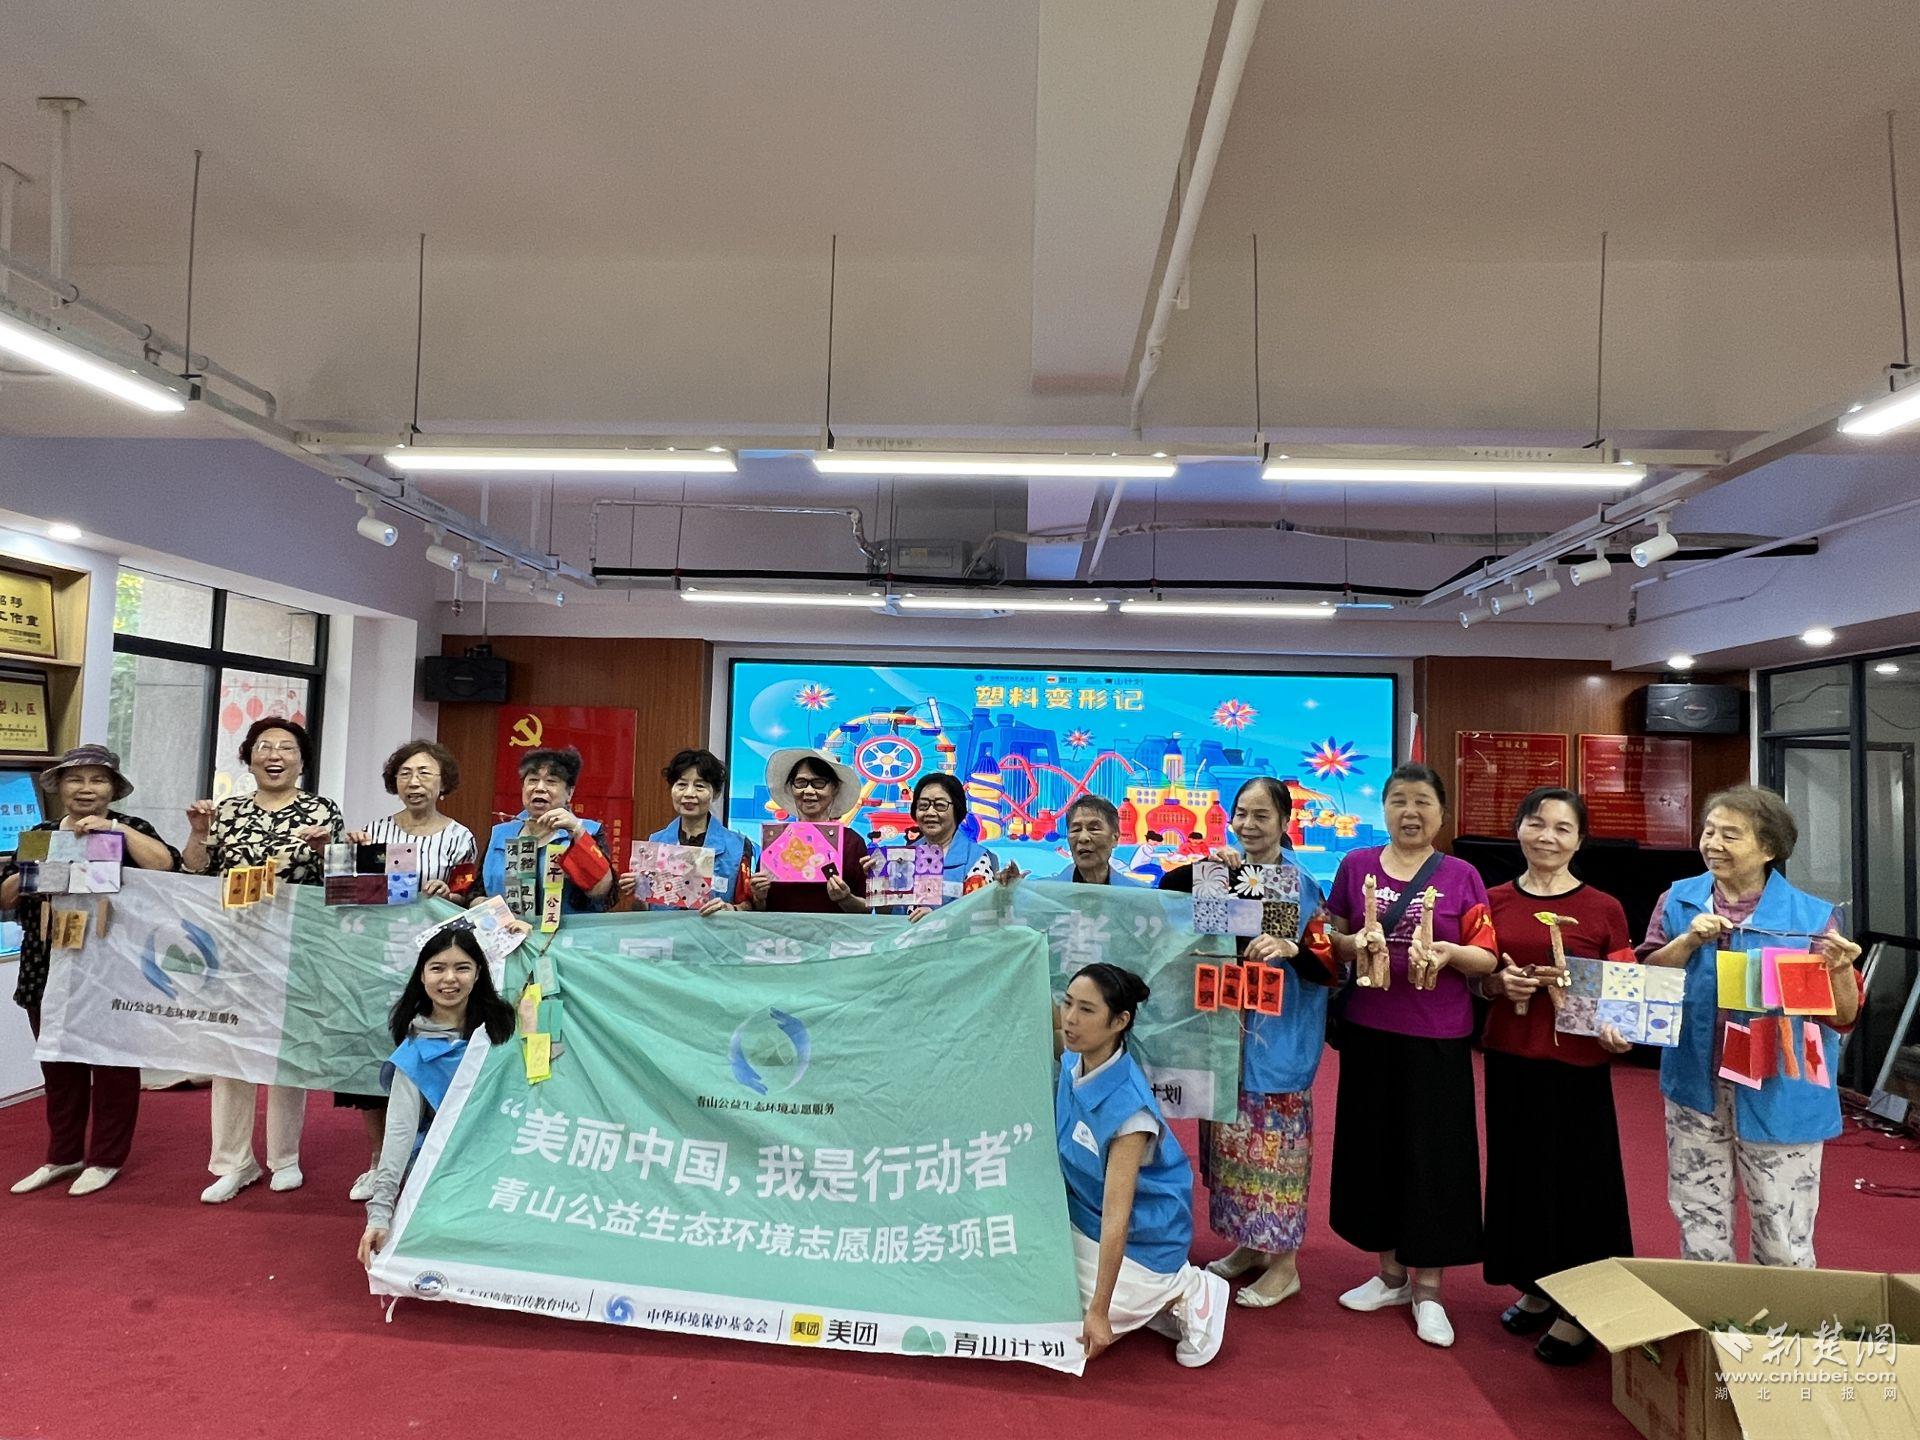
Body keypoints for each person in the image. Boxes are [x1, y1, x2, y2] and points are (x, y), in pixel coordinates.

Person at [1640, 785, 1863, 1269]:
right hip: (1696, 1083)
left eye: (1731, 835)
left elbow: (1843, 1016)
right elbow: (1649, 979)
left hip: (1781, 1087)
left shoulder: (1811, 917)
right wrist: (1687, 942)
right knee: (1698, 1217)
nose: (1713, 844)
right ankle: (1708, 1314)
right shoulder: (1678, 900)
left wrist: (1842, 970)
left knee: (1782, 1231)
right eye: (1709, 831)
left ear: (1768, 849)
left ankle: (1776, 1319)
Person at [1323, 761, 1498, 1348]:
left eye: (1422, 801)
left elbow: (1486, 956)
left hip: (1437, 1037)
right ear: (1384, 809)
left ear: (1441, 813)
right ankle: (1390, 1275)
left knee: (1435, 1160)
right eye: (1399, 800)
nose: (1410, 812)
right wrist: (1355, 942)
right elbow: (1331, 942)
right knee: (1374, 1151)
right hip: (1369, 1032)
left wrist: (1447, 952)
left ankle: (1429, 1289)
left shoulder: (1462, 875)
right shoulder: (1356, 866)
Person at [1157, 778, 1330, 1307]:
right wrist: (1211, 867)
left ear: (1284, 822)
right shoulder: (1226, 874)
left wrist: (1288, 945)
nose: (1249, 825)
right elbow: (1167, 890)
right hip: (1225, 1036)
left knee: (1274, 1154)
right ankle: (1251, 1246)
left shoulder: (1293, 882)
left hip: (1276, 1042)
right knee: (1232, 1151)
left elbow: (1319, 963)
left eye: (1261, 815)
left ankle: (1285, 1265)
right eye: (1241, 814)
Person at [1480, 788, 1636, 1364]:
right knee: (1520, 1177)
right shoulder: (1492, 899)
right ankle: (1537, 1285)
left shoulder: (1604, 907)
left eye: (1562, 828)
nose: (1547, 836)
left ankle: (1581, 1307)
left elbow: (1624, 985)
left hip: (1578, 1068)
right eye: (1536, 823)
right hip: (1511, 1057)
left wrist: (1620, 1027)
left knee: (1581, 1185)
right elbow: (1478, 976)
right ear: (1518, 828)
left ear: (1579, 840)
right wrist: (1497, 984)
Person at [3, 744, 181, 1197]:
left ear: (113, 790)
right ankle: (63, 1155)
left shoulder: (130, 829)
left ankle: (106, 1158)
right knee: (58, 1066)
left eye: (97, 780)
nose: (86, 789)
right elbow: (5, 896)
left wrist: (115, 829)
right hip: (46, 966)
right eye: (75, 779)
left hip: (113, 968)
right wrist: (34, 869)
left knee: (114, 1067)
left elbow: (167, 865)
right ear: (59, 787)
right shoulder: (41, 834)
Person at [183, 717, 344, 1203]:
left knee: (286, 1050)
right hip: (234, 945)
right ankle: (232, 1162)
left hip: (296, 946)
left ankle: (284, 1158)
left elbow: (341, 883)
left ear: (302, 760)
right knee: (229, 1051)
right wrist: (197, 831)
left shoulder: (322, 810)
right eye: (264, 747)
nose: (275, 755)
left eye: (287, 748)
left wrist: (327, 850)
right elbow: (196, 871)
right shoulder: (228, 812)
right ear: (249, 758)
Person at [1055, 962, 1228, 1367]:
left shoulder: (1130, 1113)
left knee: (1069, 1322)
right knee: (1031, 1275)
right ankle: (1143, 1300)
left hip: (1144, 1235)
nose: (1070, 1018)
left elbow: (1118, 1218)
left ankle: (1183, 1289)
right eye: (1068, 1003)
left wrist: (1099, 1312)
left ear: (1120, 1021)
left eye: (1086, 1010)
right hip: (1081, 1211)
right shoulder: (1072, 1058)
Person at [340, 738, 480, 1203]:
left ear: (443, 783)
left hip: (435, 967)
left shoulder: (459, 836)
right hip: (377, 958)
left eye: (424, 773)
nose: (414, 782)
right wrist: (351, 857)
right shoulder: (373, 832)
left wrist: (450, 893)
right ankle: (377, 1161)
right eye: (404, 773)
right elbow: (352, 897)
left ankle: (430, 1159)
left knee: (429, 1055)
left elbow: (466, 892)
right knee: (375, 1052)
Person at [357, 924, 517, 1270]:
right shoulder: (413, 1055)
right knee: (443, 1235)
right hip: (447, 1164)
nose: (450, 979)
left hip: (508, 1156)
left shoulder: (504, 1029)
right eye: (438, 968)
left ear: (478, 973)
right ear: (422, 975)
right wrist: (380, 1214)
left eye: (462, 968)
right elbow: (399, 1135)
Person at [478, 747, 616, 918]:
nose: (540, 788)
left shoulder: (589, 832)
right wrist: (485, 906)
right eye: (533, 780)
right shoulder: (500, 834)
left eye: (551, 781)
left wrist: (577, 832)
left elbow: (602, 892)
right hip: (508, 932)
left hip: (570, 934)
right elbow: (476, 893)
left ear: (569, 793)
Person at [631, 747, 754, 914]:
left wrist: (730, 909)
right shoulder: (654, 843)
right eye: (681, 785)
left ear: (716, 793)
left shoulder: (738, 846)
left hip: (714, 931)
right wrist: (637, 891)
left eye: (700, 786)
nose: (689, 793)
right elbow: (643, 912)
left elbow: (750, 906)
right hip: (666, 931)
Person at [747, 748, 869, 914]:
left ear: (834, 788)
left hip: (834, 931)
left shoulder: (852, 842)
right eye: (801, 783)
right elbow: (759, 910)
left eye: (819, 783)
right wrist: (759, 897)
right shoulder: (775, 842)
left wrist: (846, 899)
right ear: (791, 788)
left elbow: (867, 910)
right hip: (781, 930)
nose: (809, 791)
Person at [901, 772, 996, 918]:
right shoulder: (903, 856)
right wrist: (877, 884)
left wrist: (936, 917)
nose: (930, 812)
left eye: (940, 805)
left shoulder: (976, 859)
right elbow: (890, 915)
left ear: (957, 810)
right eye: (923, 805)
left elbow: (980, 916)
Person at [1049, 796, 1148, 886]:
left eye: (1094, 829)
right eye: (1076, 830)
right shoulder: (1046, 893)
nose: (1083, 838)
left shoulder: (1139, 894)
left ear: (1115, 837)